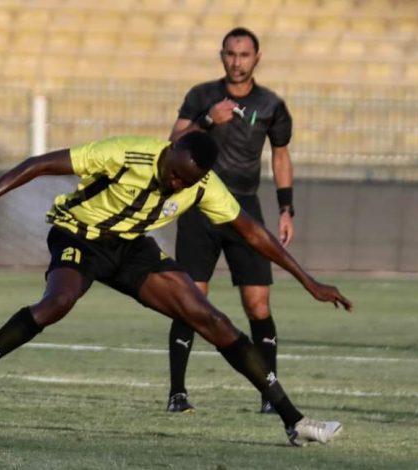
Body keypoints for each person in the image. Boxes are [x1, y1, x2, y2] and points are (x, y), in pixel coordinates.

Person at [0, 131, 353, 446]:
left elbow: (252, 233)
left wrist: (307, 280)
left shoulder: (202, 184)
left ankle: (294, 421)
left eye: (186, 183)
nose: (177, 186)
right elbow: (37, 164)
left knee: (211, 319)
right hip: (79, 235)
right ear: (171, 152)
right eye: (174, 176)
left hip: (131, 249)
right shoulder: (128, 153)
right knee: (58, 302)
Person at [166, 27, 296, 415]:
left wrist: (286, 208)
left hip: (244, 209)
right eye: (230, 54)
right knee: (190, 299)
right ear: (221, 56)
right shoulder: (201, 96)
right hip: (199, 206)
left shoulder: (271, 104)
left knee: (257, 304)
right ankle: (177, 393)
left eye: (244, 55)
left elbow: (281, 156)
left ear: (257, 58)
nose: (236, 61)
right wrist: (207, 119)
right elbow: (174, 141)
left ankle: (269, 396)